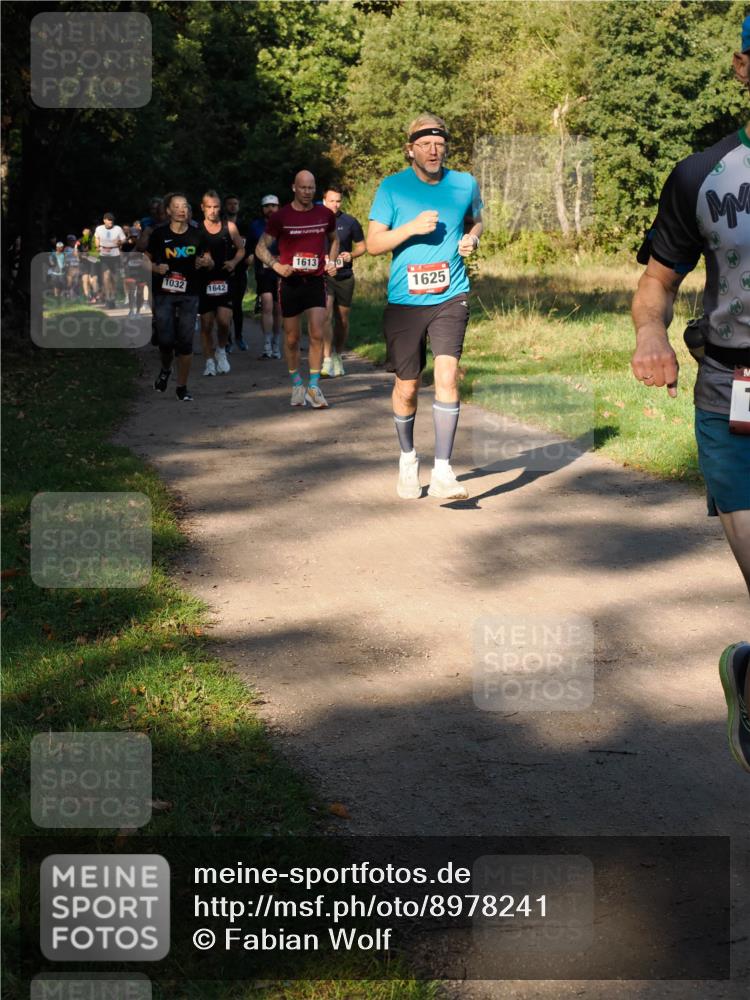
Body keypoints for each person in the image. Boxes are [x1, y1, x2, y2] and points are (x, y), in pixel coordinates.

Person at [631, 14, 750, 774]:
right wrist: (651, 336)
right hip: (733, 398)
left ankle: (747, 675)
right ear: (743, 68)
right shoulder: (701, 175)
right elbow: (657, 282)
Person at [366, 112, 483, 500]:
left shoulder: (464, 183)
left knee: (447, 375)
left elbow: (476, 219)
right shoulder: (392, 188)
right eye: (425, 144)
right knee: (408, 386)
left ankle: (444, 470)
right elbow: (374, 243)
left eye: (439, 144)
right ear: (410, 149)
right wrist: (410, 228)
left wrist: (472, 238)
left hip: (451, 294)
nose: (434, 151)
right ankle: (407, 459)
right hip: (405, 301)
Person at [255, 172, 339, 407]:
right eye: (303, 187)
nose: (307, 192)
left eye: (311, 188)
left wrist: (331, 261)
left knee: (317, 333)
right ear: (294, 187)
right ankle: (296, 384)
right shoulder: (280, 217)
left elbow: (334, 239)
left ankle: (314, 386)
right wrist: (277, 266)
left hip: (315, 281)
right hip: (290, 283)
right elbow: (260, 248)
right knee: (292, 339)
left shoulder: (325, 214)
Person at [145, 192, 212, 401]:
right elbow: (143, 259)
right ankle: (166, 369)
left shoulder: (198, 234)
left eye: (185, 206)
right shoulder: (159, 234)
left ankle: (182, 387)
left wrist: (206, 262)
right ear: (168, 211)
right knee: (165, 342)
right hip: (164, 293)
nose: (181, 210)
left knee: (185, 342)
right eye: (176, 206)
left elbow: (209, 260)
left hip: (190, 292)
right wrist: (155, 268)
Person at [197, 190, 245, 376]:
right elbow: (191, 252)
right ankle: (209, 362)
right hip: (204, 280)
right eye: (209, 207)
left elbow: (241, 249)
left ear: (220, 207)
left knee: (224, 321)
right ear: (202, 207)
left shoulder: (230, 227)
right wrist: (198, 261)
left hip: (225, 278)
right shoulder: (196, 229)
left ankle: (221, 350)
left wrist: (234, 262)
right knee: (206, 324)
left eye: (216, 206)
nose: (212, 210)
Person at [321, 185, 366, 378]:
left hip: (344, 276)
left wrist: (351, 254)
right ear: (324, 201)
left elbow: (363, 246)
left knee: (342, 320)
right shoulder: (316, 220)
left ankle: (338, 355)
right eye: (331, 200)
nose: (335, 204)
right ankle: (326, 360)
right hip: (323, 276)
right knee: (325, 315)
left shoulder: (350, 222)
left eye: (338, 201)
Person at [250, 195, 283, 359]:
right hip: (263, 271)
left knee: (279, 308)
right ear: (262, 209)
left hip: (282, 270)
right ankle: (267, 344)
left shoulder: (285, 224)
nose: (270, 209)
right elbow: (250, 247)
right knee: (267, 306)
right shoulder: (255, 226)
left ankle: (277, 343)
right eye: (267, 206)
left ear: (278, 207)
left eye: (273, 206)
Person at [222, 194, 249, 351]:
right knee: (226, 306)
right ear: (225, 206)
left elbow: (252, 245)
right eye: (230, 204)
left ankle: (239, 337)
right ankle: (227, 340)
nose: (233, 206)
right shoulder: (220, 225)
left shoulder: (245, 226)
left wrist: (251, 255)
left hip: (240, 272)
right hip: (224, 271)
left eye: (235, 203)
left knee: (237, 306)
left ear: (239, 206)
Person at [94, 213, 126, 308]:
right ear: (104, 220)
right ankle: (108, 298)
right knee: (106, 275)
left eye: (112, 220)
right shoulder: (99, 228)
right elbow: (97, 238)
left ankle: (113, 296)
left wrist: (120, 242)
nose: (111, 221)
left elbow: (124, 239)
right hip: (104, 254)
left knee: (114, 278)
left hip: (115, 254)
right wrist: (97, 246)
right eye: (109, 219)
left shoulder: (118, 228)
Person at [122, 220, 148, 317]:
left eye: (136, 236)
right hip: (130, 271)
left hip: (141, 271)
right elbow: (122, 258)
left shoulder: (144, 245)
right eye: (132, 236)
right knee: (131, 291)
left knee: (140, 292)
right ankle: (131, 310)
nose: (134, 238)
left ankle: (138, 311)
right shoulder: (126, 245)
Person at [79, 227, 100, 303]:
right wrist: (80, 256)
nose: (87, 234)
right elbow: (76, 252)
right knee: (85, 280)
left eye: (88, 233)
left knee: (93, 280)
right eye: (85, 232)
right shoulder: (80, 241)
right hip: (84, 263)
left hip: (92, 261)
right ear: (83, 233)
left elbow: (97, 251)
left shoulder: (94, 241)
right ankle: (88, 297)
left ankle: (95, 295)